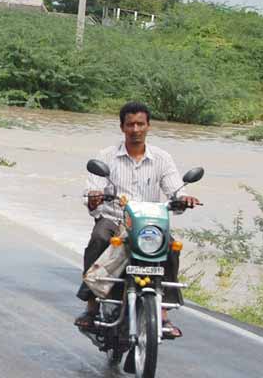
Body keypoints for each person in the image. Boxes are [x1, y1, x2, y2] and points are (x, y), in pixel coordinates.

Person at [73, 102, 199, 338]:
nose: (135, 129)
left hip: (149, 223)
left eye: (140, 124)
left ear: (148, 126)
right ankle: (91, 306)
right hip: (114, 219)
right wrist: (94, 198)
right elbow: (93, 189)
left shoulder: (162, 158)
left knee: (171, 247)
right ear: (122, 127)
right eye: (130, 124)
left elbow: (175, 188)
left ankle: (162, 314)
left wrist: (183, 198)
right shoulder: (106, 156)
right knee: (99, 237)